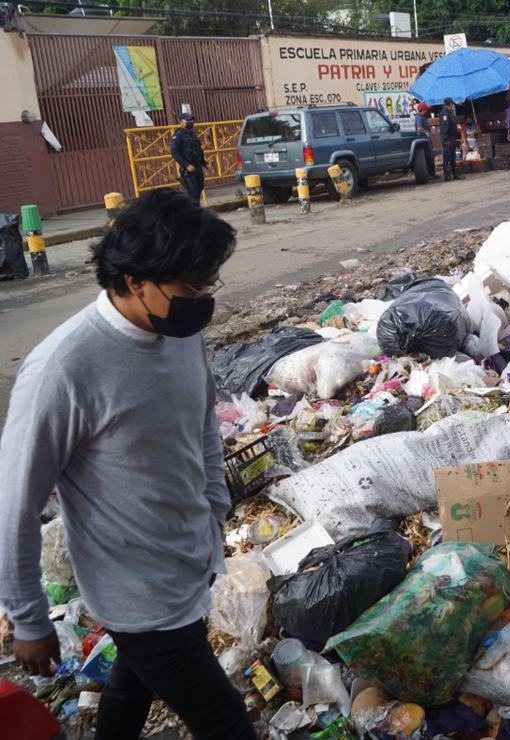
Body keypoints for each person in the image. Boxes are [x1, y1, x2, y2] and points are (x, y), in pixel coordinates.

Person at [0, 190, 255, 740]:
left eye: (209, 282)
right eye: (191, 285)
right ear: (135, 280)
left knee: (133, 684)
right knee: (226, 722)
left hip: (189, 556)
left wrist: (214, 509)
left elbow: (203, 424)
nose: (202, 297)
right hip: (137, 591)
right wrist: (28, 619)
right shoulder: (63, 370)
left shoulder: (177, 333)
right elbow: (15, 503)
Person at [170, 112, 207, 204]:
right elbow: (174, 152)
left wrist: (204, 164)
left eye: (191, 120)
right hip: (188, 170)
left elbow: (199, 150)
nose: (190, 122)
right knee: (192, 193)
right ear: (181, 122)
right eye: (188, 120)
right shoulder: (178, 135)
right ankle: (193, 214)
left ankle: (195, 211)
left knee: (199, 189)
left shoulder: (193, 134)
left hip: (197, 167)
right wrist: (186, 165)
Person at [439, 98, 464, 181]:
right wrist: (446, 140)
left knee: (453, 157)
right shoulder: (444, 114)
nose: (453, 106)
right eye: (452, 104)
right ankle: (447, 175)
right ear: (450, 104)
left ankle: (455, 174)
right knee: (446, 157)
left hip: (452, 138)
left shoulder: (449, 113)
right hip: (447, 139)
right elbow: (444, 127)